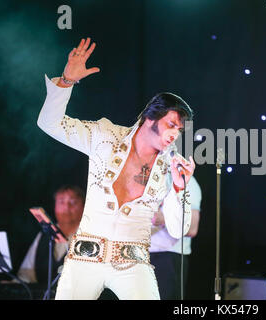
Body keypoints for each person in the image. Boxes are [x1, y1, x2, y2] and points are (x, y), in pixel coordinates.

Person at [37, 37, 195, 300]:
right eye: (171, 124)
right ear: (150, 118)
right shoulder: (104, 135)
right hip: (84, 260)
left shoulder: (171, 166)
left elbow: (180, 229)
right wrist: (66, 81)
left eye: (179, 130)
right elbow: (49, 124)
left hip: (133, 264)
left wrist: (180, 188)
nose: (175, 135)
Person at [17, 185, 85, 284]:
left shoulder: (89, 236)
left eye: (73, 202)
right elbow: (26, 274)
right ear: (55, 206)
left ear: (83, 207)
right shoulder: (44, 235)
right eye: (61, 202)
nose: (67, 207)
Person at [150, 175, 202, 299]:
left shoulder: (184, 180)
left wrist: (164, 219)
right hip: (135, 255)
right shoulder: (144, 175)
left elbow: (193, 228)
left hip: (167, 258)